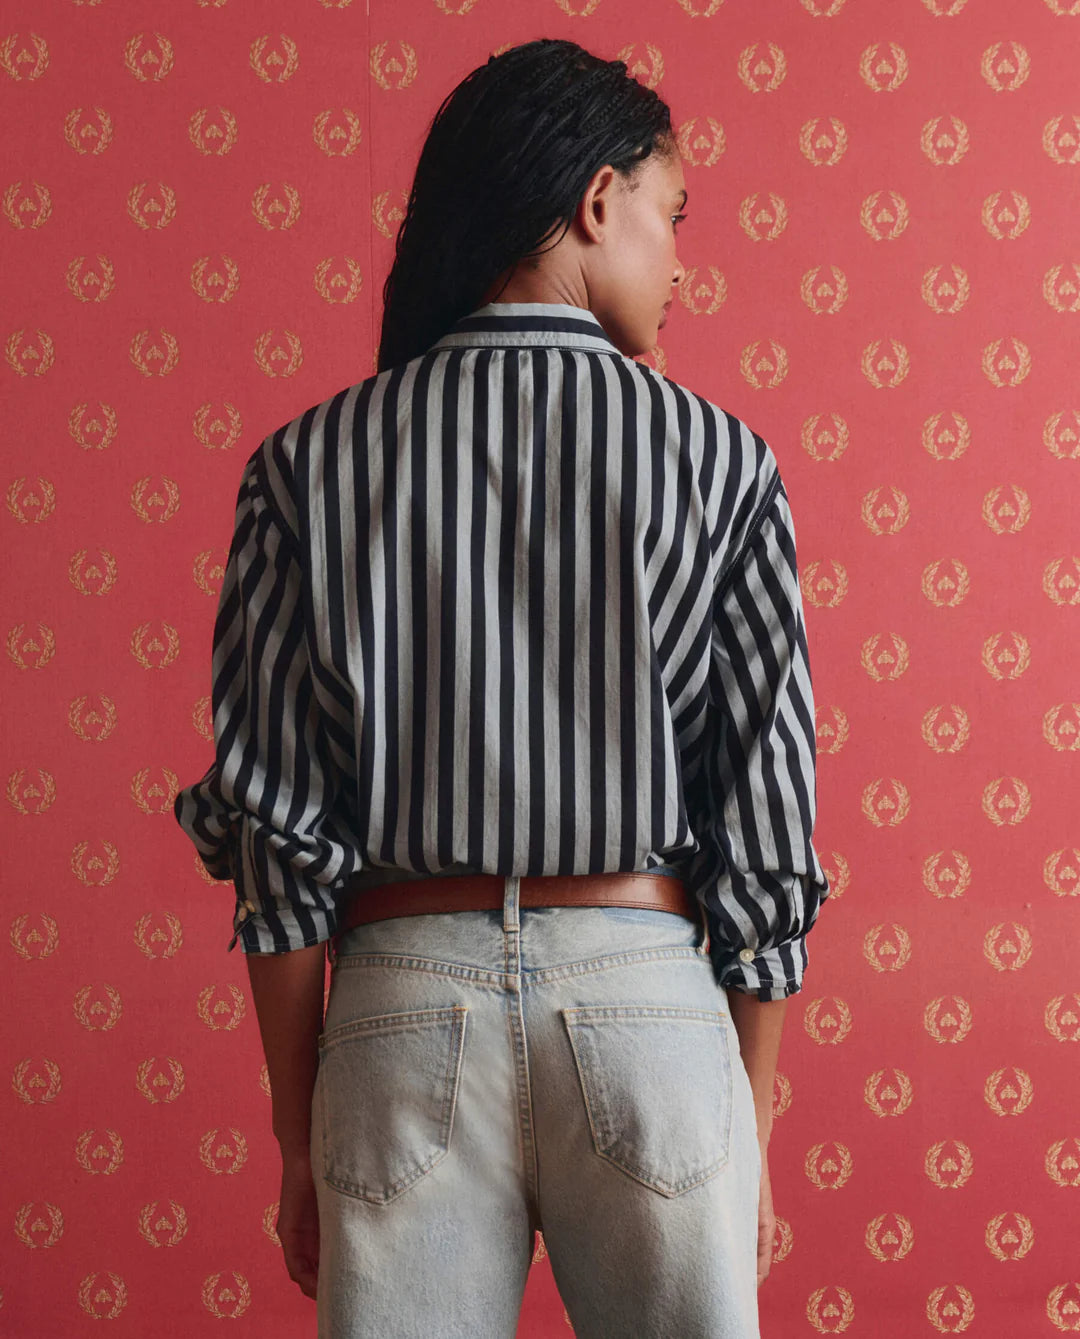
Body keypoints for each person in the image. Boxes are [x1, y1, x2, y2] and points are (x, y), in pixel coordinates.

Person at [173, 37, 831, 1339]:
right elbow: (768, 831)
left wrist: (299, 1132)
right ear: (596, 203)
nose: (682, 261)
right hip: (648, 1005)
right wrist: (745, 1117)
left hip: (401, 1006)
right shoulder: (722, 462)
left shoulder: (308, 465)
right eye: (671, 214)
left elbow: (276, 838)